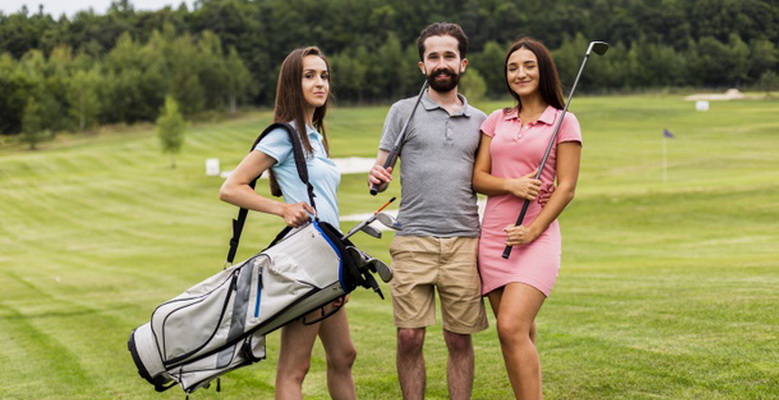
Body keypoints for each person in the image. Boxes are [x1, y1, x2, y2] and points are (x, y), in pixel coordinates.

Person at [219, 46, 357, 400]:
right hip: (306, 261)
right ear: (292, 84)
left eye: (324, 76)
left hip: (330, 259)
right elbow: (231, 188)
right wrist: (281, 209)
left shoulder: (315, 136)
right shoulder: (284, 135)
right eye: (309, 76)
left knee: (344, 355)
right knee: (295, 368)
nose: (320, 83)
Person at [368, 22, 488, 400]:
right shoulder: (402, 112)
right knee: (408, 337)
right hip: (413, 238)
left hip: (464, 242)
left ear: (462, 63)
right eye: (433, 56)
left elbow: (487, 177)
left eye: (448, 56)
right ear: (422, 66)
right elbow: (381, 172)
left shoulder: (482, 122)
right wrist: (378, 177)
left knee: (458, 337)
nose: (441, 63)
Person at [472, 37, 583, 400]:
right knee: (520, 332)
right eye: (513, 67)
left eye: (528, 66)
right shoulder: (495, 120)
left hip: (536, 237)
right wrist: (513, 185)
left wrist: (533, 229)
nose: (520, 73)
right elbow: (478, 178)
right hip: (493, 240)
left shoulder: (563, 122)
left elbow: (566, 187)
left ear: (543, 70)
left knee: (510, 326)